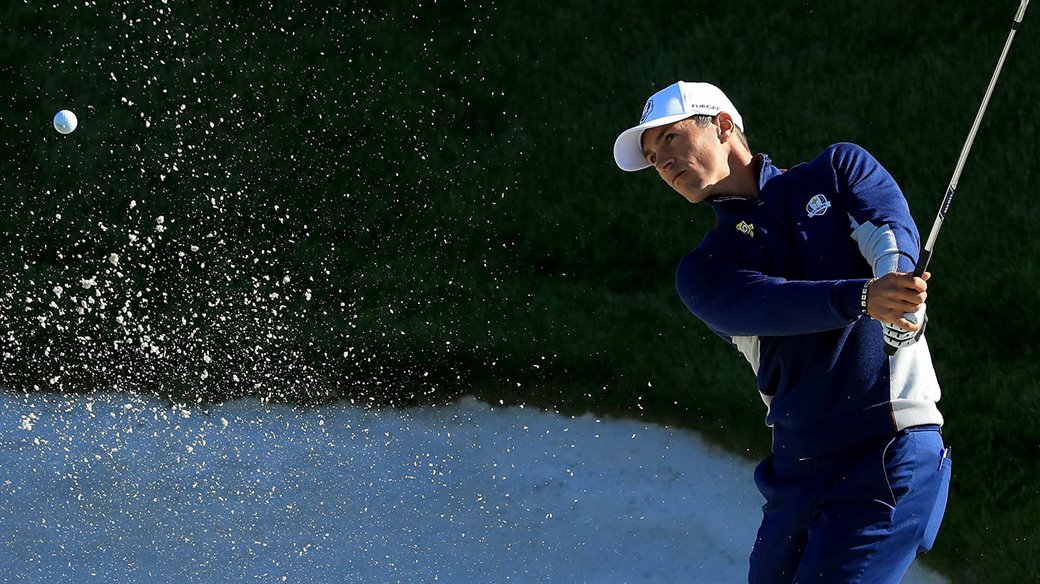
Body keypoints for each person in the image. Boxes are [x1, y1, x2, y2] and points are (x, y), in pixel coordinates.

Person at [613, 81, 952, 583]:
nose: (661, 162)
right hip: (795, 473)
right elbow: (773, 304)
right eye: (651, 157)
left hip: (886, 450)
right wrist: (864, 298)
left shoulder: (837, 170)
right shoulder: (706, 268)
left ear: (723, 126)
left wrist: (898, 298)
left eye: (669, 139)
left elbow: (888, 232)